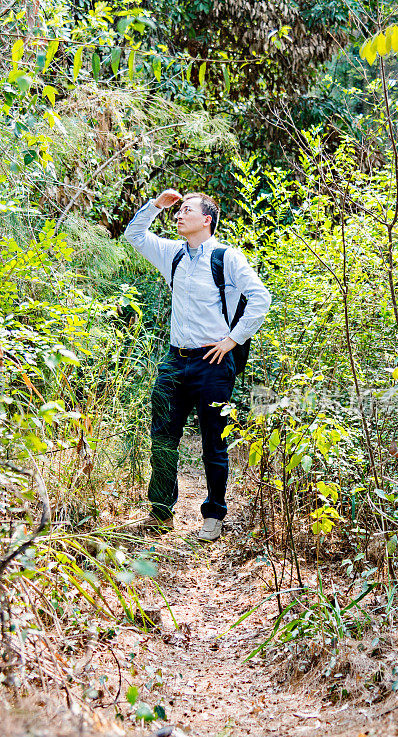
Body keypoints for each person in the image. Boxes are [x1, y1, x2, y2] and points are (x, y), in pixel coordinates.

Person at [124, 188, 271, 542]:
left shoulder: (226, 257)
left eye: (186, 210)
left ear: (206, 220)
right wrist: (157, 205)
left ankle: (214, 516)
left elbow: (260, 297)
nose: (179, 215)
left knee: (213, 442)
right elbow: (134, 235)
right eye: (178, 210)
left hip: (213, 362)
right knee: (162, 435)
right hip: (175, 360)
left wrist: (233, 340)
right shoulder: (172, 254)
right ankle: (160, 513)